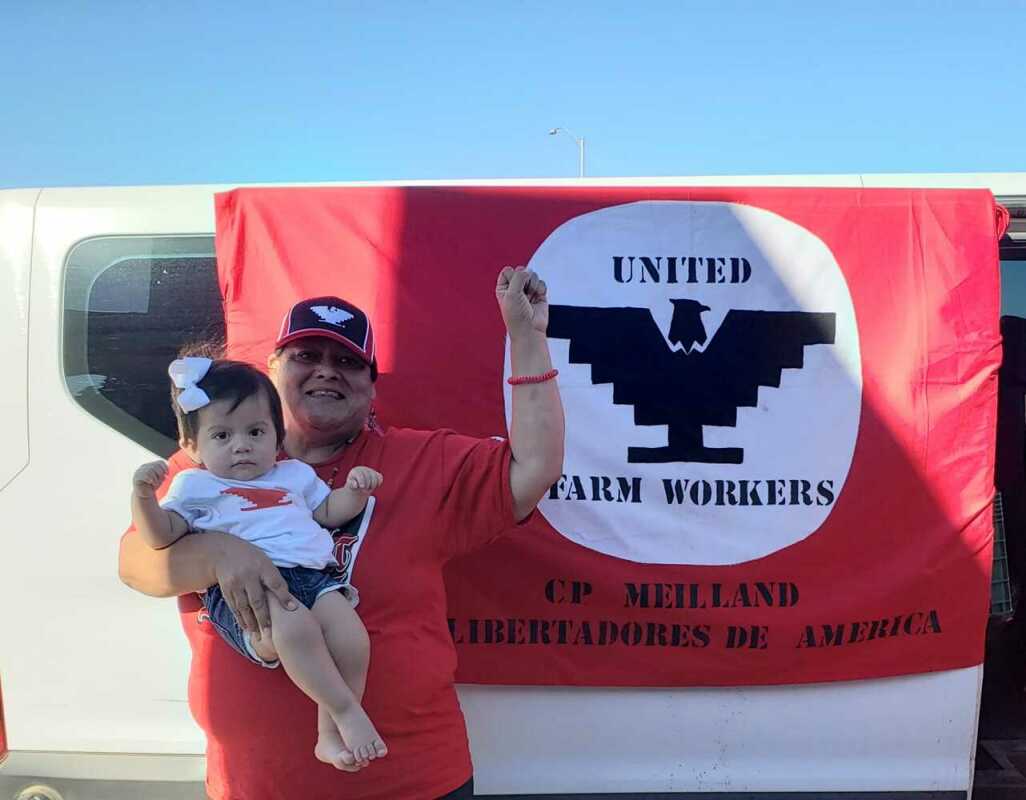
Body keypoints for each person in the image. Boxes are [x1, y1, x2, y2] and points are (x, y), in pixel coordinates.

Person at [118, 266, 564, 800]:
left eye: (348, 361)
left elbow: (534, 469)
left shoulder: (423, 460)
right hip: (257, 785)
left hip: (414, 783)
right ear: (273, 368)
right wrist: (218, 553)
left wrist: (527, 338)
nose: (327, 372)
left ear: (372, 386)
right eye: (308, 356)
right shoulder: (210, 465)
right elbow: (136, 563)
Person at [131, 356, 387, 769]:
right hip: (248, 594)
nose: (241, 445)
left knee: (352, 639)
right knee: (296, 629)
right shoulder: (195, 484)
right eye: (222, 435)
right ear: (191, 446)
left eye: (255, 432)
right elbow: (161, 535)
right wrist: (143, 498)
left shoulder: (294, 474)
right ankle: (347, 712)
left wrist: (355, 491)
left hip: (312, 577)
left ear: (276, 436)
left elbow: (328, 513)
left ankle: (329, 735)